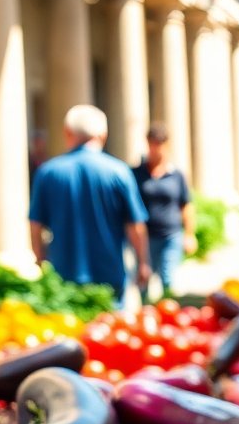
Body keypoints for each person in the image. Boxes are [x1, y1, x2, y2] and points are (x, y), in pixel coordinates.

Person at [29, 105, 151, 303]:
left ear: (67, 133)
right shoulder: (119, 172)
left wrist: (40, 259)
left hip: (63, 277)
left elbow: (35, 225)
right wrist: (143, 262)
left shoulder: (48, 173)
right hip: (109, 276)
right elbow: (135, 225)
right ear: (103, 134)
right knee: (108, 331)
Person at [134, 123, 196, 301]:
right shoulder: (137, 173)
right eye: (153, 144)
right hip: (145, 236)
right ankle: (145, 315)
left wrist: (189, 234)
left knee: (167, 279)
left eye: (160, 145)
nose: (156, 150)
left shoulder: (176, 175)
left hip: (171, 234)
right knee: (143, 281)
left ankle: (166, 315)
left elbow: (186, 205)